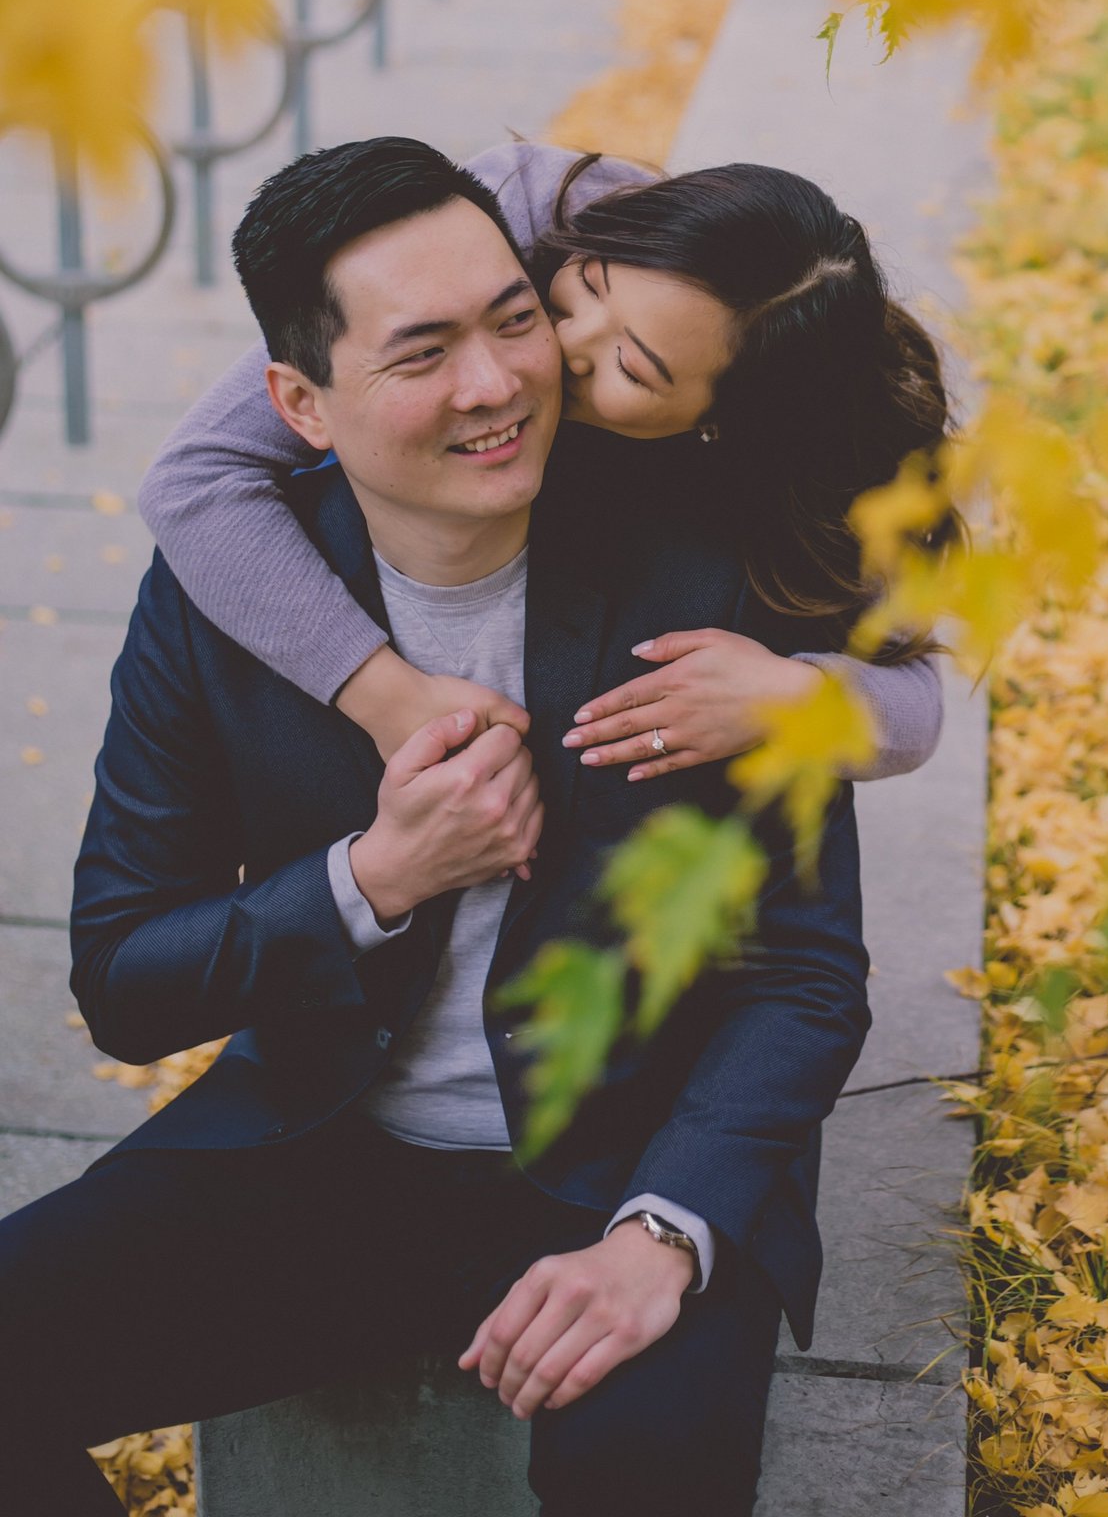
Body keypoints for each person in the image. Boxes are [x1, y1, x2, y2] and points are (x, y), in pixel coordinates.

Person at [0, 139, 870, 1517]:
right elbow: (123, 981)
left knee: (643, 1474)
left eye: (516, 321)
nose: (497, 386)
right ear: (303, 402)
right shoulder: (221, 596)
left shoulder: (709, 563)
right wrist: (372, 879)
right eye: (422, 354)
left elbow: (805, 973)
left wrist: (668, 1232)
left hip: (628, 1164)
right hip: (323, 1149)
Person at [138, 139, 953, 782]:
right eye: (582, 289)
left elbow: (914, 707)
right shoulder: (528, 209)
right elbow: (196, 477)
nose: (557, 350)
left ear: (722, 425)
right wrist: (387, 696)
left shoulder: (805, 473)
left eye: (635, 369)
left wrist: (789, 697)